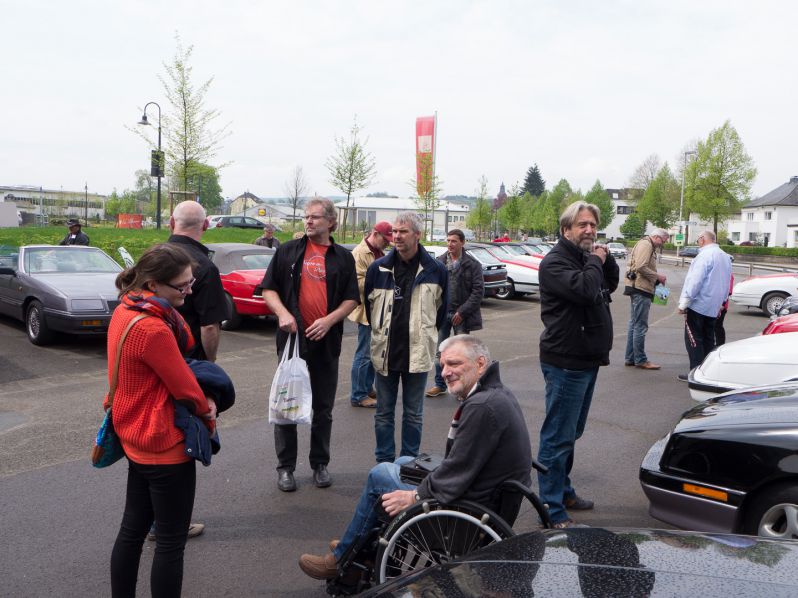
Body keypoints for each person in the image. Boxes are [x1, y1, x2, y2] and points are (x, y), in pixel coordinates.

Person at [297, 335, 532, 580]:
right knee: (401, 463)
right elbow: (463, 463)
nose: (445, 372)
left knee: (380, 475)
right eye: (442, 366)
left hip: (470, 515)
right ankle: (363, 546)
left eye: (454, 364)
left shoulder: (483, 407)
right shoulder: (495, 393)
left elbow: (458, 469)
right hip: (485, 495)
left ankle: (343, 558)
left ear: (480, 363)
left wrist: (415, 495)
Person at [107, 243, 217, 598]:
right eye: (181, 286)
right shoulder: (153, 329)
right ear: (154, 285)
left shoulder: (126, 309)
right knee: (170, 543)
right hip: (163, 443)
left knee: (131, 531)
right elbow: (186, 390)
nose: (188, 290)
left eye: (190, 283)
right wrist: (208, 410)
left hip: (134, 436)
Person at [261, 198, 359, 492]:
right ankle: (286, 468)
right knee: (286, 405)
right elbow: (268, 289)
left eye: (315, 217)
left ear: (331, 222)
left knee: (323, 408)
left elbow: (352, 298)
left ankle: (320, 464)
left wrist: (330, 320)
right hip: (292, 341)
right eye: (306, 217)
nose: (308, 221)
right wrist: (282, 313)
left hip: (326, 342)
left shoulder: (343, 257)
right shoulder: (288, 251)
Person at [537, 201, 619, 529]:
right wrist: (596, 260)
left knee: (572, 432)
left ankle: (563, 490)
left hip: (586, 360)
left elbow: (608, 285)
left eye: (592, 225)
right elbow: (587, 290)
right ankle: (551, 507)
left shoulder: (585, 259)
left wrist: (605, 258)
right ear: (566, 230)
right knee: (557, 436)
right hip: (566, 361)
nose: (589, 230)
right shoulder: (555, 263)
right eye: (582, 225)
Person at [364, 212, 448, 463]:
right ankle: (384, 463)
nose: (397, 236)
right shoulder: (377, 269)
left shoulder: (436, 270)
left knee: (413, 414)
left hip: (417, 353)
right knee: (383, 414)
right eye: (395, 231)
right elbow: (370, 310)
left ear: (417, 235)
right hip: (386, 353)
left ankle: (408, 464)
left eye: (403, 231)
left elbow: (441, 313)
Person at [167, 201, 229, 363]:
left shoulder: (151, 258)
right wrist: (210, 362)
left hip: (152, 355)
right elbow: (209, 326)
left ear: (172, 222)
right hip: (188, 361)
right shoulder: (206, 268)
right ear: (206, 225)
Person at [426, 229, 484, 397]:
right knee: (441, 352)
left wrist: (463, 312)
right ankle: (439, 384)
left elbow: (478, 292)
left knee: (462, 354)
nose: (450, 244)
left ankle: (463, 388)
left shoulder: (473, 265)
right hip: (443, 314)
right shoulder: (440, 262)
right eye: (448, 240)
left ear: (462, 243)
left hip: (462, 316)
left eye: (454, 241)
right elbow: (433, 288)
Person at [348, 221, 393, 408]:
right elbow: (355, 283)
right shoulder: (359, 253)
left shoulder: (378, 252)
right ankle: (358, 395)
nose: (387, 243)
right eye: (385, 239)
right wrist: (380, 277)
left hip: (378, 311)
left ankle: (366, 388)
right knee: (364, 354)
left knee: (373, 353)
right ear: (375, 234)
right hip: (366, 312)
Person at [677, 230, 733, 380]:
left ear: (702, 239)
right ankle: (708, 371)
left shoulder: (704, 256)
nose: (697, 242)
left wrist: (684, 303)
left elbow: (695, 281)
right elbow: (727, 282)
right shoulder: (725, 256)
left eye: (697, 240)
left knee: (694, 339)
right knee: (709, 338)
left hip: (699, 304)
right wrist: (722, 302)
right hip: (714, 305)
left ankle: (696, 373)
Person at [623, 228, 668, 370]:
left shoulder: (646, 244)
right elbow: (641, 266)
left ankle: (631, 357)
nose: (663, 244)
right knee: (640, 326)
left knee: (634, 324)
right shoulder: (647, 244)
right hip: (641, 288)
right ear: (656, 237)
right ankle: (640, 360)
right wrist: (658, 277)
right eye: (663, 241)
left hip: (638, 287)